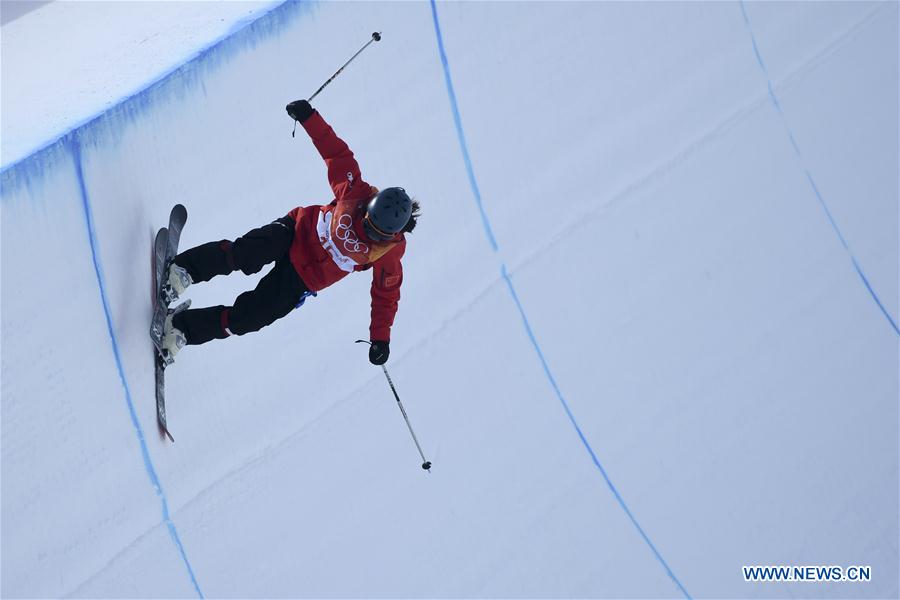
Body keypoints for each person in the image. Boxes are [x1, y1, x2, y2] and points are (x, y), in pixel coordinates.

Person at [159, 99, 419, 366]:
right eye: (366, 221)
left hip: (303, 279)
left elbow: (386, 295)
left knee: (250, 318)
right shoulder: (355, 192)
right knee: (247, 254)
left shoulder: (390, 252)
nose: (365, 229)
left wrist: (380, 339)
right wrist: (309, 117)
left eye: (374, 232)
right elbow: (336, 152)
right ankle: (184, 270)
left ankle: (181, 328)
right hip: (295, 232)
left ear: (389, 236)